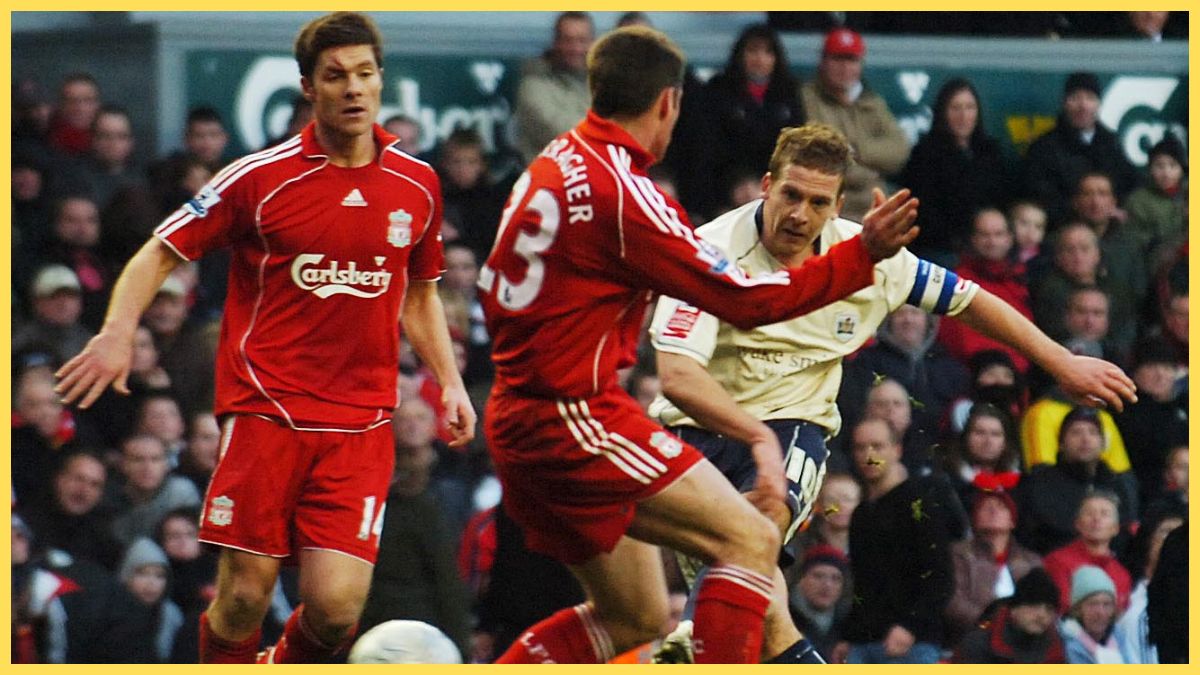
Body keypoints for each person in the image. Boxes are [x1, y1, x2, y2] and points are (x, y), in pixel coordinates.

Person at [479, 26, 924, 664]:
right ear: (669, 103)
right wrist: (862, 256)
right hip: (573, 418)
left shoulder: (552, 163)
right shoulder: (630, 197)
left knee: (632, 615)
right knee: (749, 537)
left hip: (522, 414)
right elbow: (750, 300)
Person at [55, 12, 474, 664]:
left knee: (336, 612)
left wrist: (447, 379)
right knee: (245, 598)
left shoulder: (416, 184)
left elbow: (418, 291)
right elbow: (159, 252)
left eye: (365, 73)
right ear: (308, 87)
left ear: (381, 79)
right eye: (336, 76)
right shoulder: (260, 176)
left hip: (361, 424)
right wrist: (116, 331)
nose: (354, 88)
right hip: (265, 411)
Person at [648, 123, 1131, 661]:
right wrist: (752, 437)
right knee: (758, 609)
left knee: (756, 527)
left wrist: (1060, 360)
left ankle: (691, 643)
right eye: (790, 194)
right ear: (766, 185)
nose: (800, 215)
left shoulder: (867, 256)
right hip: (697, 430)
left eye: (817, 202)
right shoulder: (708, 250)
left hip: (792, 430)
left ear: (835, 206)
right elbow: (679, 378)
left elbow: (968, 298)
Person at [835, 417, 954, 664]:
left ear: (896, 449)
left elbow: (940, 577)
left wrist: (911, 626)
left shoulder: (920, 504)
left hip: (913, 645)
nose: (868, 455)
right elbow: (863, 585)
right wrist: (849, 636)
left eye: (877, 446)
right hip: (864, 643)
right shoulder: (861, 514)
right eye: (860, 447)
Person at [691, 24, 804, 221]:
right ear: (740, 54)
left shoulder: (789, 93)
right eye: (753, 50)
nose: (760, 59)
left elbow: (795, 150)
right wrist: (733, 186)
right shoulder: (717, 91)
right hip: (726, 187)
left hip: (776, 183)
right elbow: (707, 152)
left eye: (767, 52)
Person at [801, 28, 910, 221]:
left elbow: (899, 150)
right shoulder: (807, 99)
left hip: (872, 210)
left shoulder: (871, 101)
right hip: (828, 209)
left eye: (851, 60)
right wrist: (871, 172)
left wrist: (858, 149)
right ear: (823, 61)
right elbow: (823, 157)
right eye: (837, 59)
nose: (844, 68)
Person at [899, 78, 1007, 268]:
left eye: (969, 107)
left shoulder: (990, 152)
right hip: (943, 248)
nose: (963, 116)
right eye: (955, 108)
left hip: (989, 241)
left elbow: (1001, 199)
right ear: (942, 113)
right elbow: (924, 213)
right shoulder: (925, 154)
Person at [1017, 408, 1138, 555]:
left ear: (1102, 443)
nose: (1085, 439)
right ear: (1061, 443)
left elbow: (1126, 530)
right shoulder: (1041, 483)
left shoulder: (1116, 483)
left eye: (1093, 432)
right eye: (1076, 432)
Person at [1024, 71, 1136, 224]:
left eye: (1090, 98)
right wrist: (1080, 211)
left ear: (1098, 104)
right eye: (1075, 98)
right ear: (1064, 103)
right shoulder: (1043, 149)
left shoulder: (1112, 144)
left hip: (1110, 231)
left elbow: (1131, 186)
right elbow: (1041, 200)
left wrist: (1113, 210)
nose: (1083, 106)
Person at [945, 480, 1042, 646]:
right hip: (971, 641)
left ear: (1012, 521)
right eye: (985, 506)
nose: (993, 510)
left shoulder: (1032, 561)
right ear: (975, 519)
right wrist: (990, 622)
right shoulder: (958, 553)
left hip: (1023, 643)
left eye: (1001, 506)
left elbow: (1043, 604)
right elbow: (953, 600)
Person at [936, 208, 1035, 373]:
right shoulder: (956, 281)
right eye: (984, 235)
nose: (992, 241)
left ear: (1010, 238)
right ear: (973, 239)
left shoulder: (1023, 281)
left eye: (998, 234)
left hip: (1018, 379)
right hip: (970, 377)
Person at [512, 12, 594, 164]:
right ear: (556, 42)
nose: (576, 48)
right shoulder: (533, 85)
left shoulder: (602, 83)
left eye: (582, 40)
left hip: (593, 180)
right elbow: (567, 134)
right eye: (568, 40)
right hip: (547, 183)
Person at [1042, 492, 1133, 613]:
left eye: (1104, 514)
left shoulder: (1122, 575)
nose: (1096, 519)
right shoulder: (1057, 561)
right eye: (1089, 513)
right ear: (1078, 524)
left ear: (1115, 528)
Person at [951, 568, 1066, 663]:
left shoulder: (1055, 649)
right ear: (1014, 608)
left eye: (1049, 609)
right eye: (1033, 605)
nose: (1042, 615)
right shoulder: (978, 643)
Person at [1060, 565, 1131, 663]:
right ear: (1078, 609)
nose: (1100, 612)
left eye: (1107, 604)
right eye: (1093, 604)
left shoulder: (1118, 637)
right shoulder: (1066, 644)